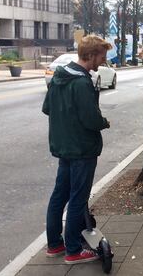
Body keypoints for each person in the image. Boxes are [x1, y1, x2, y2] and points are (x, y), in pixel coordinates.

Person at [43, 35, 111, 265]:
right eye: (102, 56)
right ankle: (73, 249)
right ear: (90, 55)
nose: (103, 61)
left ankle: (54, 244)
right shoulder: (82, 83)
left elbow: (47, 108)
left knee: (59, 195)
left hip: (63, 147)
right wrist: (103, 122)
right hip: (82, 148)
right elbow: (91, 119)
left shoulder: (58, 78)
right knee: (78, 199)